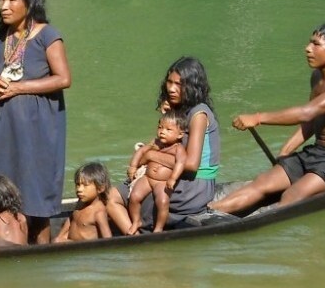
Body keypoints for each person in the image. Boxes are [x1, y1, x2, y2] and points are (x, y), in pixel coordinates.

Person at [210, 23, 325, 213]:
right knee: (262, 183)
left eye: (316, 44)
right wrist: (285, 152)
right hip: (316, 153)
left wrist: (258, 117)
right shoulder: (316, 77)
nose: (307, 49)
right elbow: (311, 122)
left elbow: (307, 112)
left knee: (292, 195)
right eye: (310, 43)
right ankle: (209, 211)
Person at [0, 0, 72, 244]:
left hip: (37, 125)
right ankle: (5, 241)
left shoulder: (48, 36)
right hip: (1, 122)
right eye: (1, 0)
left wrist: (19, 87)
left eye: (11, 0)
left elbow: (63, 78)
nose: (3, 6)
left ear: (29, 4)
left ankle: (42, 251)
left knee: (34, 190)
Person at [106, 56, 221, 232]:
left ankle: (143, 240)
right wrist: (170, 115)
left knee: (143, 202)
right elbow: (162, 145)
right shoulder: (180, 111)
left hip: (192, 186)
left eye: (179, 84)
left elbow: (190, 164)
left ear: (192, 87)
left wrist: (150, 156)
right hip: (170, 176)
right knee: (111, 196)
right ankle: (135, 238)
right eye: (169, 82)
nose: (172, 89)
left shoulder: (198, 115)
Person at [126, 111, 188, 234]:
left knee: (163, 201)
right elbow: (141, 152)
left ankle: (158, 228)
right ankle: (136, 221)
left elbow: (181, 163)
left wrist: (173, 178)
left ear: (180, 134)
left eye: (168, 130)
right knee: (134, 196)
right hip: (148, 178)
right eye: (160, 127)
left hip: (163, 182)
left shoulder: (178, 148)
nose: (162, 131)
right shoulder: (155, 142)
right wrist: (133, 166)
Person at [54, 162, 113, 242]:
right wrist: (60, 236)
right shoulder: (80, 203)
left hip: (85, 249)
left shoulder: (98, 213)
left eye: (85, 185)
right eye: (78, 184)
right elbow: (71, 220)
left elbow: (108, 241)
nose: (79, 189)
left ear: (100, 188)